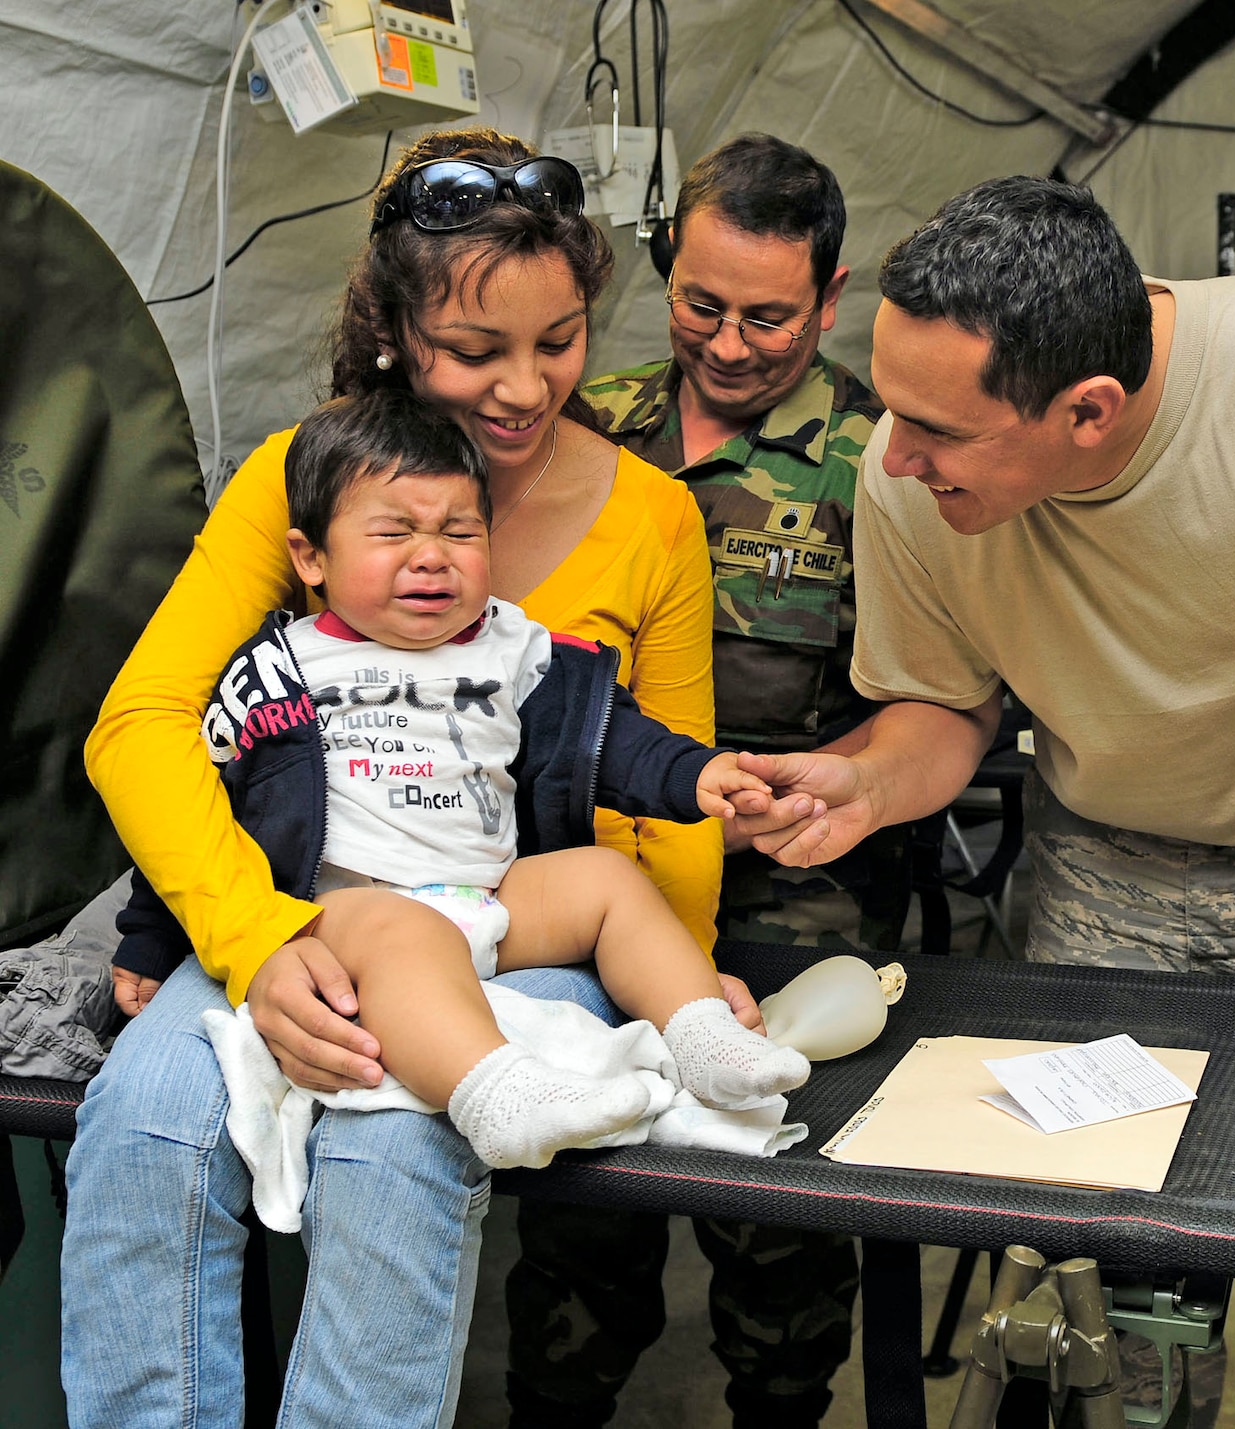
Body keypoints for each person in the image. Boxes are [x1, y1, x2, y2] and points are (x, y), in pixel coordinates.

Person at [733, 178, 1235, 1429]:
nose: (892, 453)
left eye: (933, 428)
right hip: (1104, 870)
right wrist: (870, 779)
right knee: (1112, 1295)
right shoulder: (910, 474)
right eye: (885, 404)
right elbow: (944, 709)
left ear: (1087, 411)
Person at [62, 127, 746, 1428]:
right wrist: (251, 937)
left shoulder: (655, 515)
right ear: (393, 330)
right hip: (301, 914)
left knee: (392, 1145)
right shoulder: (297, 478)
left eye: (558, 341)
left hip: (520, 922)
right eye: (477, 351)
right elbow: (142, 722)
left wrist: (685, 974)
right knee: (147, 1126)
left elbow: (666, 791)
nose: (526, 387)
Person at [104, 390, 805, 1178]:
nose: (430, 555)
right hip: (350, 915)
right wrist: (152, 938)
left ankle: (705, 1038)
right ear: (311, 558)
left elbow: (613, 739)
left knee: (607, 880)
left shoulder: (514, 650)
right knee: (403, 930)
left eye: (459, 530)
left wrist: (700, 773)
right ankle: (500, 1097)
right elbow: (206, 804)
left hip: (490, 895)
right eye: (393, 531)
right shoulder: (278, 670)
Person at [505, 133, 882, 1429]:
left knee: (769, 1193)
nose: (727, 344)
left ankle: (779, 1399)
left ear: (830, 299)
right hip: (585, 861)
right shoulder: (576, 422)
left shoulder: (874, 466)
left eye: (768, 317)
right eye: (700, 305)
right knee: (582, 1183)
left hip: (783, 885)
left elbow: (933, 699)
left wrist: (837, 780)